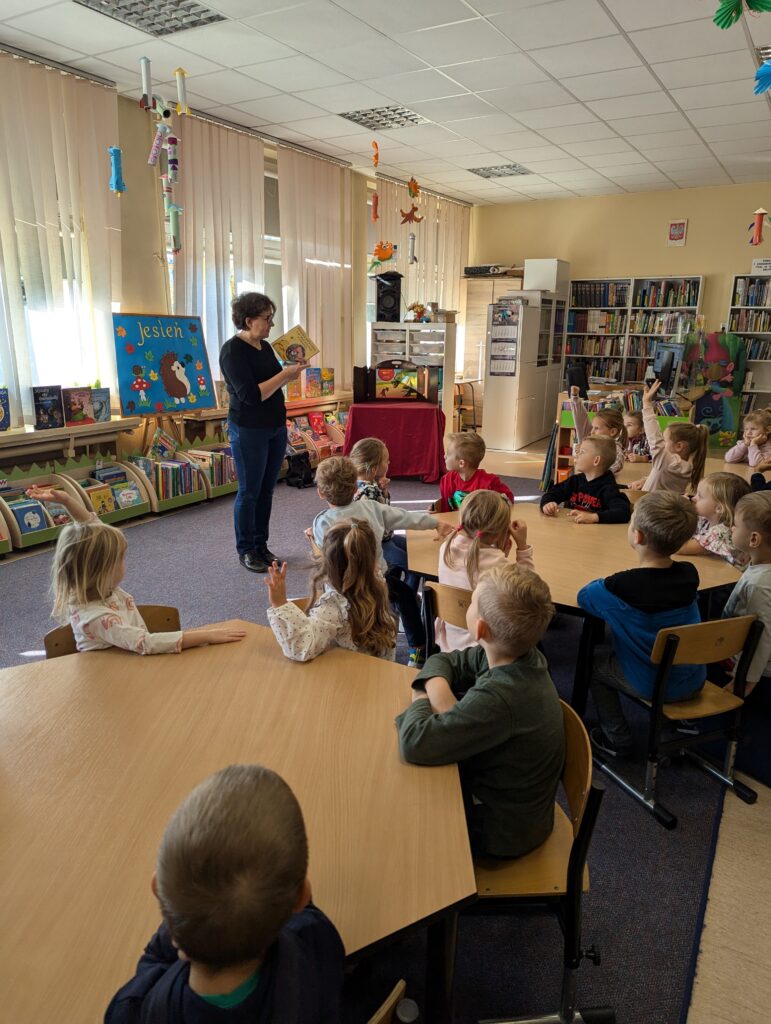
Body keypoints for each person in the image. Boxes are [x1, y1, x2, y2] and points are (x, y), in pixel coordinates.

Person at [104, 764, 344, 1023]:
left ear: (157, 890)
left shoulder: (134, 1011)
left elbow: (153, 964)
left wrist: (180, 926)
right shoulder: (314, 940)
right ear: (301, 897)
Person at [395, 563, 564, 859]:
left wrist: (422, 694)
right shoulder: (516, 654)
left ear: (479, 628)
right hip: (515, 807)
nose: (469, 604)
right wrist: (438, 686)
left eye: (472, 601)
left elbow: (415, 743)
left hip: (502, 832)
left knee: (405, 821)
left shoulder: (502, 697)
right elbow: (447, 661)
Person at [31, 486, 245, 655]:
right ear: (102, 570)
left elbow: (91, 527)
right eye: (120, 559)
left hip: (129, 663)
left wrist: (66, 501)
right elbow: (146, 643)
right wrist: (207, 635)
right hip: (115, 679)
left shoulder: (91, 586)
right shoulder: (96, 617)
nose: (125, 563)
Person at [577, 491, 704, 757]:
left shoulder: (619, 586)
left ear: (638, 536)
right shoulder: (690, 575)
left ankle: (617, 738)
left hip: (652, 683)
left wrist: (607, 581)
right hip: (694, 679)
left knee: (595, 661)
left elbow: (585, 597)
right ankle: (675, 727)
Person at [311, 457, 453, 667]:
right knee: (405, 596)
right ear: (354, 487)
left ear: (321, 493)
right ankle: (419, 647)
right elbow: (405, 517)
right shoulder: (371, 508)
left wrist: (312, 539)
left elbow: (324, 556)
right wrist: (435, 523)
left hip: (341, 589)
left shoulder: (321, 522)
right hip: (377, 582)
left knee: (351, 621)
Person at [219, 292, 307, 574]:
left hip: (274, 426)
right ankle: (246, 550)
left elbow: (274, 381)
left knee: (267, 490)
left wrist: (293, 368)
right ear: (248, 320)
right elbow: (252, 396)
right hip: (248, 429)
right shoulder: (232, 351)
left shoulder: (266, 347)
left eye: (272, 318)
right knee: (249, 491)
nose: (271, 324)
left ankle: (261, 545)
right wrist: (286, 375)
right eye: (267, 319)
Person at [266, 519, 397, 662]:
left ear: (329, 561)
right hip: (381, 664)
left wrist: (280, 604)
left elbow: (302, 648)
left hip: (353, 672)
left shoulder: (334, 605)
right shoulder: (376, 578)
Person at [437, 490, 534, 651]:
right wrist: (522, 547)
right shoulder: (497, 562)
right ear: (500, 532)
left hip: (449, 644)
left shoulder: (446, 549)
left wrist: (500, 553)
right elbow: (529, 591)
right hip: (484, 650)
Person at [349, 436, 418, 590]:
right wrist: (382, 492)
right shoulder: (370, 490)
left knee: (412, 548)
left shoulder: (357, 484)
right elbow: (388, 517)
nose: (389, 463)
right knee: (415, 566)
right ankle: (407, 599)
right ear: (374, 468)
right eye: (386, 461)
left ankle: (393, 587)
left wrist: (383, 490)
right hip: (378, 544)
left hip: (382, 539)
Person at [722, 491, 771, 697]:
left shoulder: (759, 584)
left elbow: (763, 636)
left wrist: (745, 679)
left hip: (752, 664)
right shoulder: (760, 567)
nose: (731, 528)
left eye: (735, 525)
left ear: (753, 538)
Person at [627, 380, 708, 495]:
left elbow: (654, 439)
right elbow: (663, 476)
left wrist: (646, 403)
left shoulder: (670, 462)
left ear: (679, 446)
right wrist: (645, 480)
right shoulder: (680, 465)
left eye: (664, 441)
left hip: (652, 509)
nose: (661, 443)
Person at [540, 436, 631, 524]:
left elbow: (623, 512)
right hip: (571, 529)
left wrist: (594, 517)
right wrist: (547, 503)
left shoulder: (609, 488)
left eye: (582, 452)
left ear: (596, 460)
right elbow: (553, 492)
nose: (577, 455)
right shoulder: (575, 481)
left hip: (595, 535)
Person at [677, 472, 750, 568]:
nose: (694, 498)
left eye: (700, 496)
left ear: (719, 508)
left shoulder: (721, 532)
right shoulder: (706, 519)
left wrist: (678, 510)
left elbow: (678, 547)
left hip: (731, 579)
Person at [431, 431, 514, 513]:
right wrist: (436, 509)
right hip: (455, 524)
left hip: (480, 524)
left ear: (461, 463)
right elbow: (446, 509)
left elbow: (508, 500)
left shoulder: (489, 483)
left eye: (448, 453)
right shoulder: (447, 480)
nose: (444, 456)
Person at [569, 386, 626, 475]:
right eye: (593, 427)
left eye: (597, 428)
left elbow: (609, 470)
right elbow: (581, 421)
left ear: (612, 432)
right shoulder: (592, 440)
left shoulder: (616, 451)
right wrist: (575, 397)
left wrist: (585, 453)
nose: (592, 432)